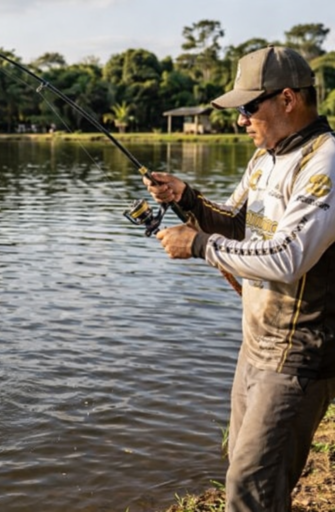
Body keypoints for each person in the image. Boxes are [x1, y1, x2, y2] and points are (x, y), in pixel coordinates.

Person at [144, 46, 335, 511]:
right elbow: (234, 221)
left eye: (250, 107)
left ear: (288, 100)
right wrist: (187, 198)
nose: (241, 120)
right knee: (244, 469)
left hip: (299, 354)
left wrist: (199, 245)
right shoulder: (265, 157)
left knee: (251, 486)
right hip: (256, 343)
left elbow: (289, 256)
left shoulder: (325, 162)